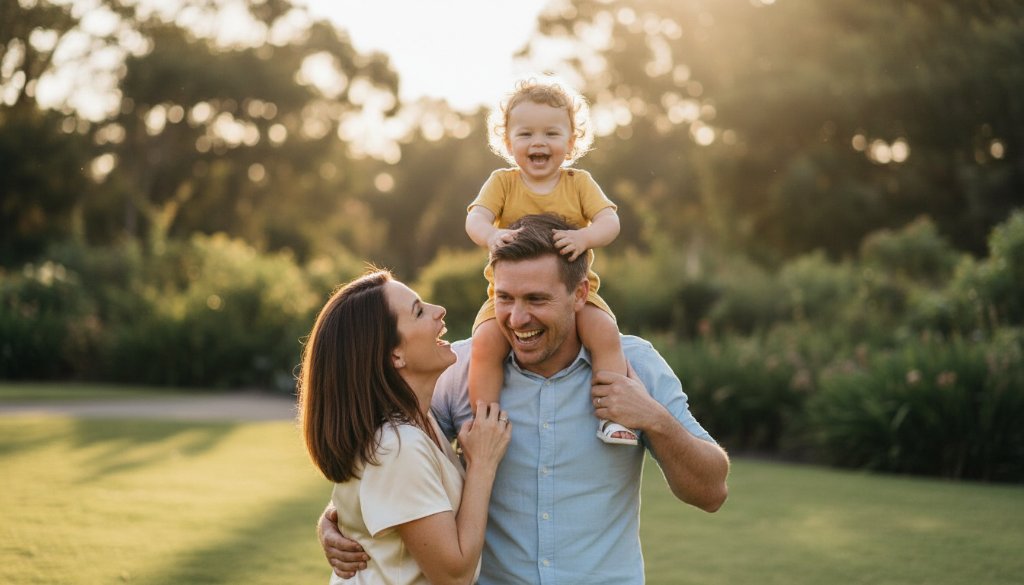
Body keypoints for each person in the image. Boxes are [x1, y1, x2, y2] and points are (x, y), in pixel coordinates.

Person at [320, 214, 730, 584]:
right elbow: (392, 458)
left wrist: (654, 418)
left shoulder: (633, 366)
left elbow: (712, 492)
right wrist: (338, 520)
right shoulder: (456, 371)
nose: (517, 319)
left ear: (580, 294)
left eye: (536, 299)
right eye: (504, 298)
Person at [298, 269, 511, 585]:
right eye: (419, 311)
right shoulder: (398, 446)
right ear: (394, 354)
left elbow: (381, 496)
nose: (439, 311)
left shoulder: (419, 423)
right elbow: (454, 575)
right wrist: (482, 464)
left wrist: (332, 520)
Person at [464, 77, 638, 445]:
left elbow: (610, 222)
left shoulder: (578, 183)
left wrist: (584, 236)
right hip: (507, 296)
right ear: (509, 143)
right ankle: (484, 425)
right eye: (525, 134)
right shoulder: (503, 183)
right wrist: (492, 235)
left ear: (571, 143)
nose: (538, 142)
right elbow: (475, 219)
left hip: (574, 294)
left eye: (551, 133)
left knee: (604, 333)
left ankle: (613, 417)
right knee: (484, 344)